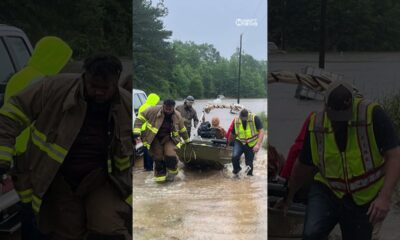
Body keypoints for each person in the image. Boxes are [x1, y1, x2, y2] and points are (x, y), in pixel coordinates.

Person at [0, 53, 133, 239]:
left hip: (102, 180)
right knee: (67, 234)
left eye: (105, 88)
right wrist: (2, 156)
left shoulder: (126, 105)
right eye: (94, 86)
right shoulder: (52, 89)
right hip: (58, 178)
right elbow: (10, 115)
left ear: (116, 82)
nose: (99, 92)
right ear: (84, 76)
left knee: (110, 232)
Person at [277, 80, 400, 240]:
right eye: (335, 116)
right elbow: (303, 165)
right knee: (311, 233)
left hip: (364, 196)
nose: (339, 122)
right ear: (325, 106)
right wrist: (289, 197)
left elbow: (395, 156)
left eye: (344, 116)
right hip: (328, 189)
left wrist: (384, 197)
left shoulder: (373, 115)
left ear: (352, 105)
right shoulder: (316, 124)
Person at [4, 36, 72, 240]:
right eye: (62, 60)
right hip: (34, 153)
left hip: (18, 150)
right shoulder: (43, 83)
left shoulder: (20, 76)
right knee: (38, 203)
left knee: (27, 202)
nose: (64, 66)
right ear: (53, 58)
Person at [133, 99, 189, 182]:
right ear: (163, 106)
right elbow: (140, 118)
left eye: (170, 109)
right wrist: (136, 132)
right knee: (158, 159)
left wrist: (187, 141)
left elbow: (182, 129)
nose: (168, 111)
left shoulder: (177, 115)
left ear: (173, 108)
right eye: (166, 108)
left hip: (169, 138)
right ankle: (160, 178)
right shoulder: (153, 110)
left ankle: (172, 173)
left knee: (171, 156)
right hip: (154, 138)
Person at [228, 109, 264, 176]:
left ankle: (248, 181)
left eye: (245, 118)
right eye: (242, 118)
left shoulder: (255, 118)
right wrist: (228, 143)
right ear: (240, 116)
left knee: (249, 165)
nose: (243, 120)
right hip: (240, 142)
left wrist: (258, 145)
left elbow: (261, 131)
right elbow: (232, 134)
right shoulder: (236, 120)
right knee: (234, 157)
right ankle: (237, 171)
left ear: (248, 115)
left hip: (251, 144)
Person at [138, 93, 160, 171]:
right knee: (149, 149)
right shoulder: (151, 108)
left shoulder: (143, 106)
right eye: (156, 101)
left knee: (145, 148)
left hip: (142, 130)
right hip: (148, 131)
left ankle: (146, 167)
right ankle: (149, 167)